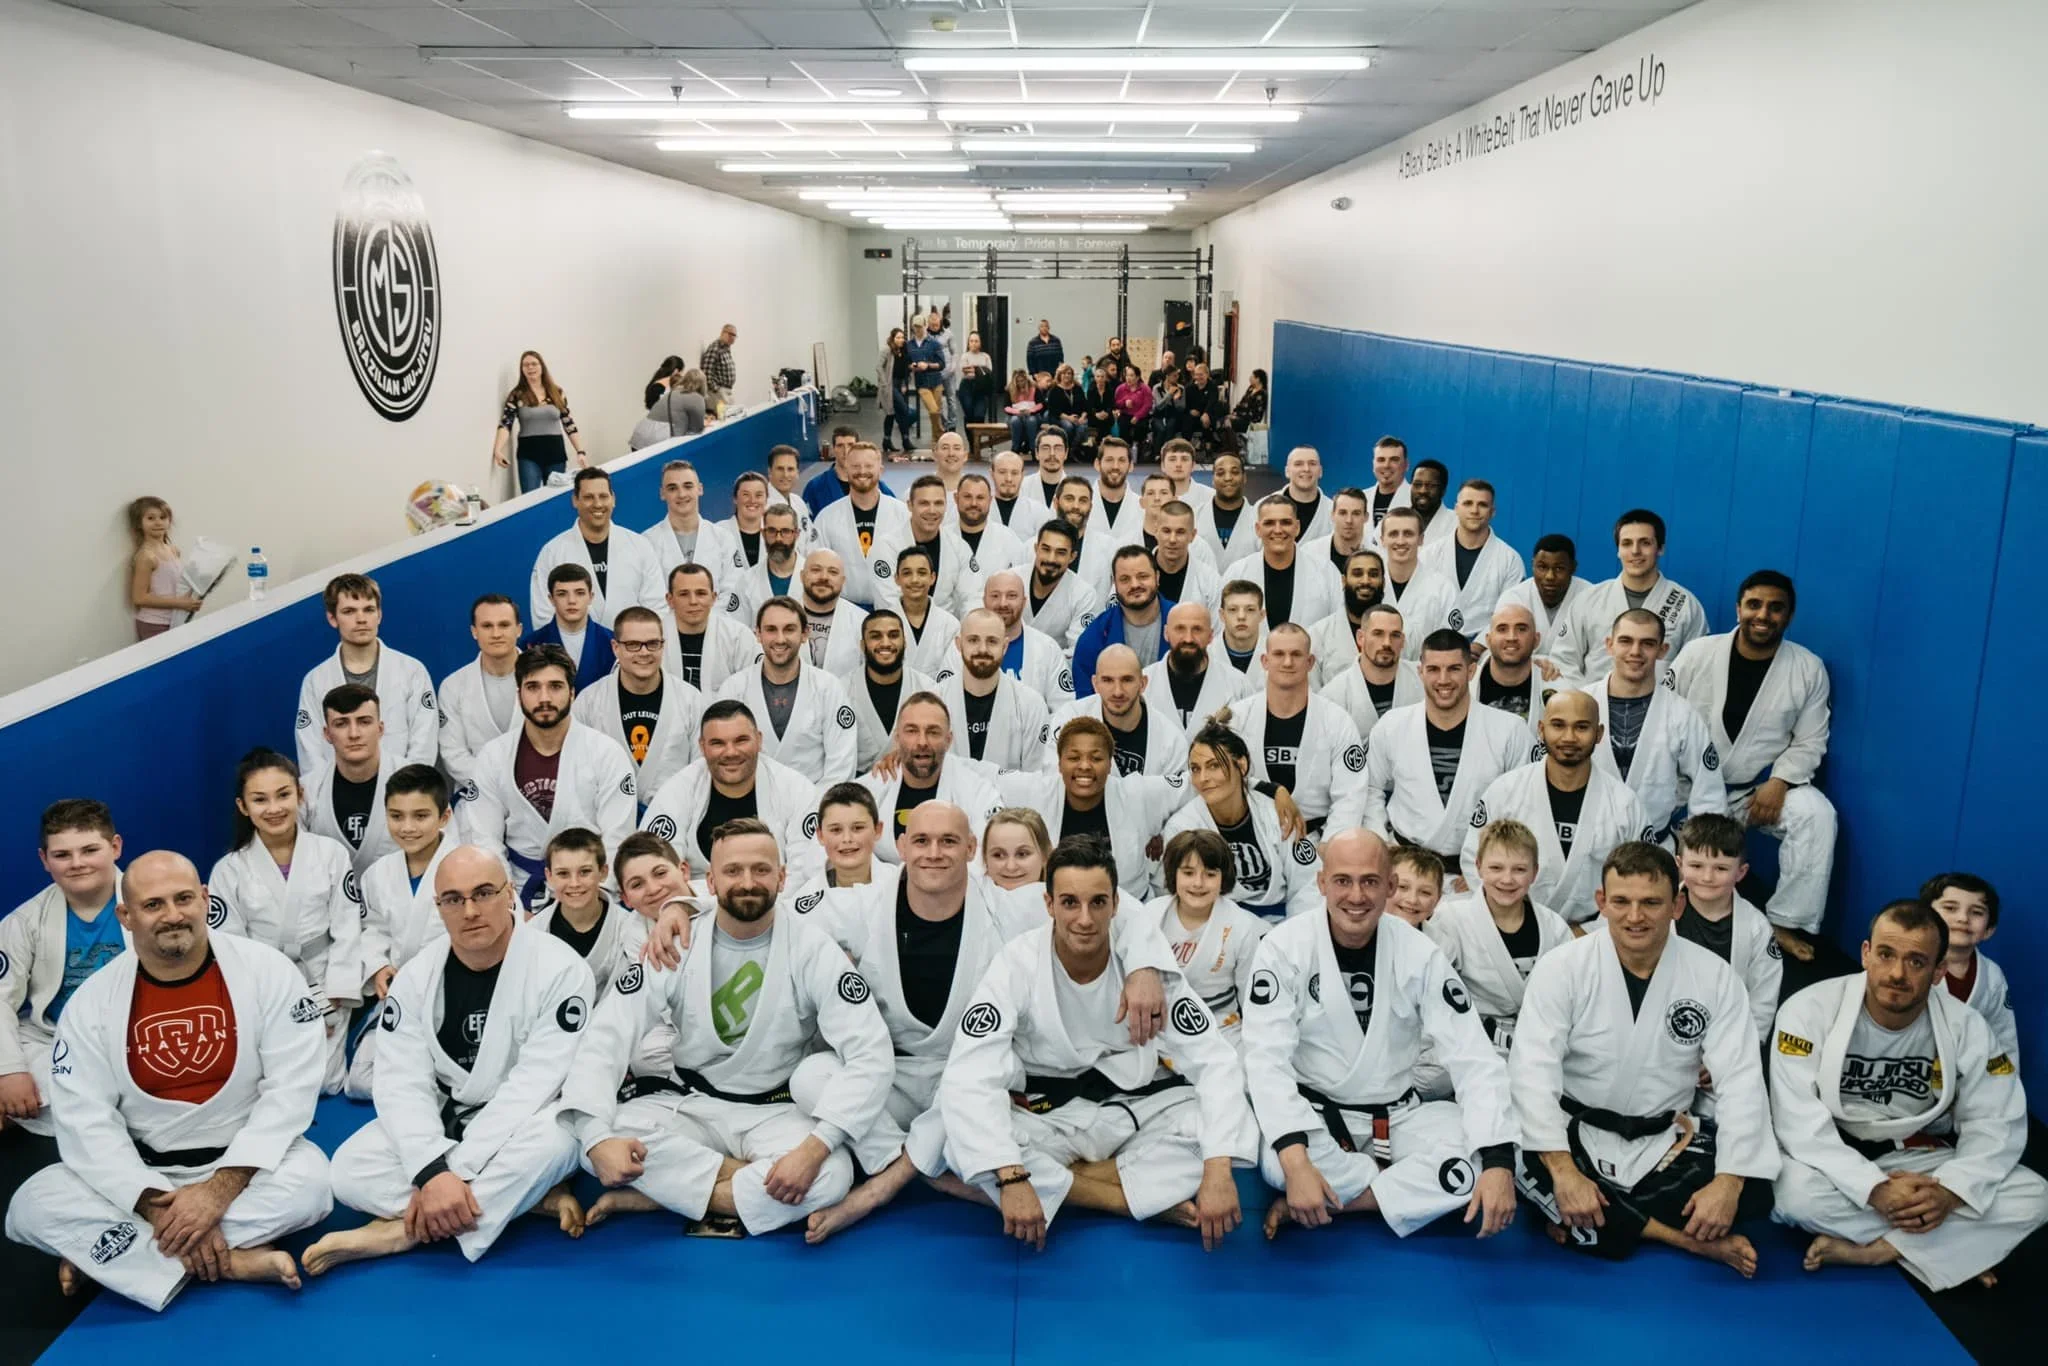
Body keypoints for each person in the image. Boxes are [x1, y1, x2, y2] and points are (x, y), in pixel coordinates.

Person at [795, 804, 1171, 1242]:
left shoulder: (1010, 905)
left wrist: (1144, 965)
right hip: (891, 1076)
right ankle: (922, 1170)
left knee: (971, 1105)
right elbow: (783, 915)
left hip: (968, 1073)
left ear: (971, 849)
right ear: (900, 847)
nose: (934, 853)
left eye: (949, 841)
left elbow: (1120, 907)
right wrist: (691, 907)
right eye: (921, 841)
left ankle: (881, 1186)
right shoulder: (863, 904)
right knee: (810, 1076)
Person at [4, 851, 331, 1308]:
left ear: (204, 899)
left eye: (184, 899)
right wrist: (154, 1206)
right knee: (31, 1205)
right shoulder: (93, 1001)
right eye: (153, 905)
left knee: (313, 1185)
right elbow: (86, 1121)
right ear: (126, 916)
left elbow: (291, 1091)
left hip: (240, 1165)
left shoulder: (268, 971)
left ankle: (111, 1254)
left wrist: (218, 1191)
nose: (173, 915)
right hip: (143, 1176)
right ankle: (231, 1261)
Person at [561, 819, 894, 1237]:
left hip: (776, 1109)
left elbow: (870, 1052)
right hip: (693, 1104)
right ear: (711, 882)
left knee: (831, 1173)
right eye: (733, 871)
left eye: (761, 869)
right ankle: (737, 1185)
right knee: (593, 1141)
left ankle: (668, 1195)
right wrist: (595, 1137)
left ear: (782, 876)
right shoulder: (675, 943)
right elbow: (608, 1034)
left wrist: (813, 1148)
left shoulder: (812, 948)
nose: (748, 882)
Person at [937, 836, 1254, 1250]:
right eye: (1069, 903)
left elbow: (1214, 1061)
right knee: (951, 1136)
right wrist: (1013, 1176)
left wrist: (1216, 1171)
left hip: (1129, 1108)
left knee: (1230, 1128)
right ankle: (1123, 1199)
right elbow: (970, 1074)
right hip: (1046, 1114)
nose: (1084, 919)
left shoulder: (1150, 975)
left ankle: (1060, 1186)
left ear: (1116, 905)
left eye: (1097, 903)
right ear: (1048, 904)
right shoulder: (1017, 964)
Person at [304, 846, 591, 1272]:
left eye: (484, 893)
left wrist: (447, 1172)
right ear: (438, 906)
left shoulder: (561, 969)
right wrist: (432, 1172)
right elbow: (401, 1082)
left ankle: (402, 1232)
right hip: (449, 1117)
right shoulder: (417, 975)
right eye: (454, 899)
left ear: (509, 893)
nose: (470, 910)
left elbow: (536, 1083)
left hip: (527, 1120)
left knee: (562, 1137)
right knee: (348, 1169)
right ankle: (519, 1200)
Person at [1509, 842, 1778, 1275]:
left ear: (1677, 904)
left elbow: (1742, 1080)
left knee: (1757, 1189)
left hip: (1663, 1139)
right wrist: (1563, 1172)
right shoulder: (1562, 967)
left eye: (1651, 902)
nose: (1635, 916)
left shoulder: (1713, 976)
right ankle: (1685, 1239)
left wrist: (1729, 1182)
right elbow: (1531, 1073)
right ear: (1602, 903)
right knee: (1519, 1163)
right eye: (1621, 902)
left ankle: (1596, 1223)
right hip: (1574, 1133)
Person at [1244, 829, 1518, 1241]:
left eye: (1370, 881)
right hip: (1317, 1116)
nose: (1356, 895)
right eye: (1343, 880)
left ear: (1389, 886)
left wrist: (1498, 1163)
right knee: (1277, 1163)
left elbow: (1472, 1055)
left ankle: (1351, 1200)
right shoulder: (1284, 947)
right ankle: (1387, 1188)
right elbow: (1266, 1061)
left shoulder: (1421, 954)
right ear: (1321, 883)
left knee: (1478, 1162)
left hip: (1400, 1115)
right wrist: (1299, 1165)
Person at [1770, 899, 2046, 1288]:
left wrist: (1951, 1191)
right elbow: (1797, 1120)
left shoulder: (1966, 1026)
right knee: (1796, 1197)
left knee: (2036, 1195)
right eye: (1885, 954)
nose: (1897, 973)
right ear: (1866, 954)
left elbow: (1995, 1119)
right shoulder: (1808, 1010)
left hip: (1918, 1159)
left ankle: (1882, 1250)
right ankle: (1953, 1248)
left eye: (1916, 962)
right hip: (1834, 1158)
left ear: (1938, 971)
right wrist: (1874, 1188)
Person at [1670, 569, 1835, 960]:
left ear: (1789, 616)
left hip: (1754, 793)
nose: (1764, 615)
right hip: (1687, 788)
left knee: (1816, 815)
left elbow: (1811, 739)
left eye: (1776, 608)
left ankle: (1784, 919)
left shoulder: (1807, 668)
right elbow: (1662, 713)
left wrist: (1781, 780)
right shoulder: (1698, 653)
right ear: (1738, 607)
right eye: (1755, 604)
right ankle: (1676, 911)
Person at [208, 749, 360, 1093]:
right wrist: (272, 1000)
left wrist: (335, 992)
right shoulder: (228, 871)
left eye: (283, 795)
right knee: (272, 1082)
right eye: (259, 800)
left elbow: (348, 927)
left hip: (323, 974)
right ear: (243, 807)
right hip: (266, 985)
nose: (274, 808)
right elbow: (229, 947)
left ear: (299, 795)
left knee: (324, 1082)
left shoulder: (331, 854)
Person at [462, 645, 637, 911]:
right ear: (519, 695)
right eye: (533, 688)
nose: (544, 698)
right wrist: (509, 906)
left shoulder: (607, 753)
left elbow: (617, 839)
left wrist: (591, 903)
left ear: (572, 693)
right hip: (518, 890)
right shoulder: (493, 756)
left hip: (589, 890)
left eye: (555, 686)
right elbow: (485, 841)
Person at [1463, 692, 1653, 924]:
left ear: (1599, 734)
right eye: (1558, 725)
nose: (1569, 737)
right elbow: (1474, 856)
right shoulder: (1505, 791)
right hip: (1511, 924)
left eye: (1581, 727)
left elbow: (1640, 879)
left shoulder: (1624, 804)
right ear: (1541, 730)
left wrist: (1592, 931)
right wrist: (1507, 919)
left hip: (1592, 934)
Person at [1362, 628, 1536, 873]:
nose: (1443, 679)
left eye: (1454, 669)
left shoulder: (1510, 730)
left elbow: (1524, 803)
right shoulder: (1392, 726)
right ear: (1420, 672)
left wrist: (1489, 870)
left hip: (1476, 873)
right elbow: (1370, 787)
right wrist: (1381, 841)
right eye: (1433, 669)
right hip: (1404, 868)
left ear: (1471, 671)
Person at [0, 800, 126, 1136]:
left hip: (135, 1036)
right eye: (62, 855)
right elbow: (0, 1000)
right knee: (14, 1059)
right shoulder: (24, 921)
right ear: (44, 859)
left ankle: (71, 1113)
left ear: (115, 847)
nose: (77, 864)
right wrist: (10, 1072)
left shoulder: (152, 903)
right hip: (56, 1038)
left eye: (89, 850)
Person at [346, 764, 456, 1098]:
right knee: (361, 1083)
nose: (407, 827)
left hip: (453, 993)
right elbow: (373, 929)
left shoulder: (469, 865)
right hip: (400, 993)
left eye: (420, 816)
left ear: (445, 816)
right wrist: (378, 966)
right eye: (396, 816)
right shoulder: (378, 874)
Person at [1426, 819, 1571, 1057]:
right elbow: (1433, 993)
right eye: (1496, 868)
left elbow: (1570, 993)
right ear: (1479, 866)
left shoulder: (1554, 927)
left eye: (1519, 869)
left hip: (1542, 1041)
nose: (1507, 879)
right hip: (1471, 1040)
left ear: (1535, 872)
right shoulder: (1451, 918)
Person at [996, 719, 1188, 898]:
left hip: (1129, 912)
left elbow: (1195, 786)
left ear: (1110, 764)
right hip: (1055, 910)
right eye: (1074, 758)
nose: (1085, 766)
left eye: (1096, 758)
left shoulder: (1137, 794)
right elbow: (974, 775)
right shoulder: (1036, 791)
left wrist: (1167, 831)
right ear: (1059, 763)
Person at [639, 699, 822, 882]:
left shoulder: (797, 790)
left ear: (759, 740)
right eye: (718, 743)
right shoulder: (676, 792)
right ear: (702, 747)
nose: (731, 752)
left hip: (778, 904)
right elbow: (654, 871)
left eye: (741, 740)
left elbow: (805, 873)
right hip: (695, 906)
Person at [1218, 623, 1371, 835]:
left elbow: (1350, 794)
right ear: (1265, 661)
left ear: (1310, 662)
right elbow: (1219, 779)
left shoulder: (1337, 721)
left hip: (1314, 838)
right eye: (1279, 654)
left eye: (1296, 654)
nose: (1288, 662)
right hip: (1252, 835)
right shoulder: (1236, 718)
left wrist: (1331, 844)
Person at [1589, 608, 1727, 843]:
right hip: (1588, 849)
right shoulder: (1582, 704)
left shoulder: (1682, 714)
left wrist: (1700, 858)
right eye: (1626, 641)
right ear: (1609, 645)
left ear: (1662, 650)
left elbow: (1709, 793)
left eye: (1647, 644)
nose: (1635, 652)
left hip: (1653, 850)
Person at [1164, 724, 1319, 921]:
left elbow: (1308, 884)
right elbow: (1182, 901)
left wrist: (1293, 937)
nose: (1203, 778)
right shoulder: (1182, 828)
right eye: (1195, 769)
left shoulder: (1278, 813)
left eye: (1214, 766)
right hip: (1220, 928)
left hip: (1284, 925)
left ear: (1242, 765)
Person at [295, 572, 437, 776]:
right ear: (332, 618)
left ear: (379, 615)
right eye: (349, 611)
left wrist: (407, 790)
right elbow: (310, 750)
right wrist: (327, 793)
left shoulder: (412, 671)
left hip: (402, 791)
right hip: (338, 791)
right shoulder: (316, 681)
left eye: (369, 610)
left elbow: (424, 741)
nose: (361, 619)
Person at [570, 605, 705, 805]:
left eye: (652, 644)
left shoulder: (691, 699)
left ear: (662, 645)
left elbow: (700, 770)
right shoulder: (589, 701)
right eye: (633, 644)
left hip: (673, 819)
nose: (644, 653)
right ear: (616, 647)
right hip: (606, 818)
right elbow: (577, 771)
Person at [715, 597, 858, 783]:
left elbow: (841, 764)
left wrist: (815, 808)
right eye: (771, 630)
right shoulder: (734, 688)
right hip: (750, 802)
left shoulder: (829, 688)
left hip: (814, 801)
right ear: (758, 634)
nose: (780, 639)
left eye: (789, 629)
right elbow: (720, 755)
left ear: (805, 634)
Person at [1556, 509, 1708, 681]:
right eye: (1627, 543)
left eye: (1645, 543)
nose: (1635, 551)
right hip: (1595, 704)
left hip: (1660, 705)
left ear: (1661, 548)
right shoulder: (1588, 601)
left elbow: (1697, 670)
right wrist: (1585, 701)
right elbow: (1564, 660)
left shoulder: (1685, 605)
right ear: (1618, 550)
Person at [1671, 814, 1783, 1040]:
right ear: (1680, 865)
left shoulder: (1756, 928)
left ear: (1740, 873)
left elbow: (1763, 999)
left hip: (1725, 1035)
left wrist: (1736, 1051)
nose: (1707, 877)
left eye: (1721, 868)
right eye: (1696, 865)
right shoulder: (1659, 910)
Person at [1147, 830, 1267, 1039]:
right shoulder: (1151, 915)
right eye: (1188, 873)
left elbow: (1251, 999)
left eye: (1210, 874)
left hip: (1220, 1026)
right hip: (1157, 1024)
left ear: (1224, 878)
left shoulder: (1243, 926)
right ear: (1173, 873)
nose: (1198, 883)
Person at [860, 694, 1004, 852]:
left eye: (933, 732)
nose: (922, 742)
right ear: (897, 738)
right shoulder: (870, 789)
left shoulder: (977, 791)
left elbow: (992, 852)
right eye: (912, 731)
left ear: (948, 740)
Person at [529, 468, 665, 632]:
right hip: (571, 654)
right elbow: (543, 616)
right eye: (588, 497)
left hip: (632, 650)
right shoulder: (552, 552)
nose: (597, 504)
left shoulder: (640, 546)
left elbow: (656, 607)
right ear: (575, 500)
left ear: (613, 499)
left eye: (603, 496)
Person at [1046, 645, 1189, 780]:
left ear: (1143, 684)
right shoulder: (1069, 719)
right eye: (1107, 680)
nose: (1117, 692)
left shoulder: (1171, 740)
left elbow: (1176, 799)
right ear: (1095, 684)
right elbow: (1054, 781)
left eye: (1127, 680)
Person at [936, 609, 1052, 772]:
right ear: (958, 644)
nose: (982, 649)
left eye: (992, 641)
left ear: (1005, 646)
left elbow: (1035, 778)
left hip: (1010, 798)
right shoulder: (934, 701)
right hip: (946, 797)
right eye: (973, 640)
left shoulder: (1031, 705)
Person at [1922, 872, 2020, 1064]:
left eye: (1976, 912)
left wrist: (2006, 1087)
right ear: (1925, 919)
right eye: (1950, 908)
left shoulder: (1992, 976)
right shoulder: (1908, 966)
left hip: (1968, 1075)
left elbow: (2003, 1036)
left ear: (1989, 930)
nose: (1963, 918)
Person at [301, 684, 398, 874]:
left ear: (380, 729)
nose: (354, 734)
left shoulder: (418, 781)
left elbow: (441, 853)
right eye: (341, 724)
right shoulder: (308, 790)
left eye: (364, 722)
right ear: (327, 734)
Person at [438, 595, 523, 802]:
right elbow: (454, 755)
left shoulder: (543, 679)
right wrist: (498, 785)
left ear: (518, 630)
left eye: (504, 625)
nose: (496, 634)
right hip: (476, 795)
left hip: (536, 791)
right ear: (474, 632)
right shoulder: (452, 686)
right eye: (487, 626)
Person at [1222, 498, 1343, 633]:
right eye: (1269, 523)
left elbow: (1338, 626)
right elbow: (1223, 627)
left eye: (1285, 522)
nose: (1278, 530)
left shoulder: (1325, 571)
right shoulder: (1238, 573)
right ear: (1258, 529)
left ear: (1297, 527)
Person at [1421, 481, 1524, 637]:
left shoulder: (1510, 560)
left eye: (1482, 505)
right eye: (1468, 503)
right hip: (1435, 642)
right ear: (1456, 508)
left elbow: (1509, 614)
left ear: (1492, 511)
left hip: (1487, 646)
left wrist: (1479, 646)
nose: (1474, 511)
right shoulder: (1430, 554)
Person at [814, 442, 910, 609]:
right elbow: (816, 563)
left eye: (868, 466)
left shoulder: (902, 514)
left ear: (880, 470)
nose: (862, 471)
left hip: (893, 606)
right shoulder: (827, 517)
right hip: (843, 607)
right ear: (846, 470)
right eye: (856, 466)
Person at [1070, 547, 1173, 690]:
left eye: (1143, 576)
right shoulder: (1093, 638)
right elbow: (1086, 702)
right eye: (1125, 579)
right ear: (1114, 583)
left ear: (1157, 577)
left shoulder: (1183, 624)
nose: (1135, 585)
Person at [847, 610, 936, 774]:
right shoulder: (841, 690)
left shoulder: (928, 689)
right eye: (875, 636)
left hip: (914, 781)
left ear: (905, 641)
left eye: (894, 635)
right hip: (856, 787)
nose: (885, 643)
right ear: (862, 645)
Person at [1320, 603, 1421, 741]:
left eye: (1395, 635)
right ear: (1361, 638)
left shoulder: (1423, 680)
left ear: (1403, 641)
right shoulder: (1333, 696)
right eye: (1378, 634)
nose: (1387, 643)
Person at [871, 475, 969, 618]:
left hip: (947, 633)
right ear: (910, 505)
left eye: (938, 503)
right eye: (924, 503)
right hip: (898, 632)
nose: (932, 510)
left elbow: (971, 597)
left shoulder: (958, 547)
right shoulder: (887, 546)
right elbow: (888, 603)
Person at [492, 350, 589, 494]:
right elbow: (506, 424)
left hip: (555, 452)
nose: (530, 368)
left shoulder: (557, 392)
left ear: (542, 366)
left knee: (555, 497)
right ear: (522, 369)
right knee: (530, 498)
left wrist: (580, 452)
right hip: (528, 454)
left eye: (534, 364)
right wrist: (498, 450)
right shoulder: (517, 395)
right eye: (526, 365)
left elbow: (569, 424)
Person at [1495, 534, 1591, 676]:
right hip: (1524, 677)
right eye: (1542, 567)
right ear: (1533, 565)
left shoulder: (1590, 597)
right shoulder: (1514, 598)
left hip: (1576, 680)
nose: (1549, 576)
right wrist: (1536, 664)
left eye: (1559, 568)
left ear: (1573, 567)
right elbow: (1499, 649)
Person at [643, 459, 739, 594]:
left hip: (718, 614)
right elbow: (650, 596)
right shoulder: (647, 542)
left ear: (700, 489)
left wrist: (711, 615)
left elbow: (734, 590)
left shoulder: (723, 538)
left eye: (688, 486)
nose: (681, 494)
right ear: (662, 493)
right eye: (672, 488)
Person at [1145, 603, 1243, 735]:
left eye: (1197, 629)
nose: (1188, 638)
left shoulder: (1238, 685)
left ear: (1210, 635)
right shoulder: (1144, 683)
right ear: (1166, 633)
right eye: (1180, 629)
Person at [981, 570, 1078, 703]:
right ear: (984, 600)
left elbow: (1064, 706)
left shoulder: (1047, 648)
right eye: (995, 596)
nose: (1003, 603)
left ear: (1024, 601)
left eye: (1011, 596)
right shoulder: (962, 647)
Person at [664, 563, 761, 694]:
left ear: (714, 597)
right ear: (670, 599)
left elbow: (754, 685)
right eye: (684, 594)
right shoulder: (654, 636)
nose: (693, 601)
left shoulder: (737, 636)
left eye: (701, 593)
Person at [1375, 508, 1457, 654]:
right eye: (1393, 534)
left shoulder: (1443, 589)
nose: (1400, 541)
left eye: (1408, 534)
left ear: (1421, 539)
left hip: (1423, 673)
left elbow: (1452, 642)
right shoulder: (1370, 585)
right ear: (1382, 540)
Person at [521, 564, 614, 690]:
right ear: (551, 599)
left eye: (580, 593)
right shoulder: (530, 644)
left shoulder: (612, 643)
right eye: (562, 594)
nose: (571, 600)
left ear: (591, 597)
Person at [1307, 548, 1387, 685]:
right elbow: (1312, 689)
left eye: (1373, 574)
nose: (1366, 581)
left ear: (1384, 582)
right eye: (1357, 574)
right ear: (1344, 581)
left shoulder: (1404, 632)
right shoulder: (1319, 634)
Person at [126, 496, 201, 641]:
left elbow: (172, 585)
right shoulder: (146, 556)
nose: (158, 522)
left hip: (176, 620)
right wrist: (179, 603)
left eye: (163, 517)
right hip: (154, 624)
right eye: (150, 518)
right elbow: (139, 597)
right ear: (139, 523)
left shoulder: (173, 550)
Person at [724, 503, 811, 626]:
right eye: (772, 531)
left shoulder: (813, 577)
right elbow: (735, 629)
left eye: (785, 531)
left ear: (796, 534)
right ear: (763, 534)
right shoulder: (747, 581)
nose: (778, 539)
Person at [950, 472, 1028, 609]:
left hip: (997, 621)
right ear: (956, 498)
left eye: (980, 497)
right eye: (967, 497)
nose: (974, 503)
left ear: (990, 500)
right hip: (952, 623)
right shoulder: (944, 537)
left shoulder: (1008, 539)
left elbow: (1020, 584)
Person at [1470, 603, 1549, 735]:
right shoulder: (1465, 686)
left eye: (1521, 629)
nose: (1511, 637)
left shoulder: (1556, 686)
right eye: (1502, 629)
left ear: (1536, 640)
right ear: (1488, 640)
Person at [789, 549, 868, 675]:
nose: (824, 577)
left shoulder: (862, 622)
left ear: (843, 581)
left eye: (833, 572)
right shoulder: (780, 616)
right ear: (802, 576)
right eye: (816, 570)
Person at [1151, 498, 1221, 611]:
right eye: (1166, 531)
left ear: (1192, 535)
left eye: (1180, 532)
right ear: (1155, 531)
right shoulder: (1133, 573)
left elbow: (1217, 627)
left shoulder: (1210, 581)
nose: (1172, 539)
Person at [1301, 487, 1372, 581]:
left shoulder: (1380, 557)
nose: (1349, 520)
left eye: (1356, 513)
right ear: (1332, 515)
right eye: (1343, 513)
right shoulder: (1309, 553)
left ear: (1366, 517)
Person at [762, 445, 822, 553]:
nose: (785, 475)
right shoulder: (762, 506)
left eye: (790, 469)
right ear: (770, 472)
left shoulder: (799, 502)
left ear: (797, 473)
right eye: (780, 469)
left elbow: (812, 540)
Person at [1193, 451, 1251, 560]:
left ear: (1244, 478)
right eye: (1220, 473)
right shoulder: (1195, 516)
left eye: (1234, 472)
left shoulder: (1258, 518)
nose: (1228, 478)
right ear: (1213, 480)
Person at [632, 368, 706, 449]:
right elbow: (696, 430)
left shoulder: (673, 392)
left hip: (640, 434)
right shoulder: (697, 398)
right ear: (703, 384)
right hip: (658, 441)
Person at [1216, 580, 1269, 685]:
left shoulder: (1276, 655)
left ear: (1262, 615)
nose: (1241, 616)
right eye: (1232, 609)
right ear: (1222, 615)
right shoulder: (1208, 654)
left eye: (1250, 609)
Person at [1274, 447, 1333, 541]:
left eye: (1312, 464)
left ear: (1320, 471)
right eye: (1298, 464)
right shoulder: (1264, 506)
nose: (1306, 469)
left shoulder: (1333, 511)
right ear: (1287, 471)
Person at [805, 426, 859, 514]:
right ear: (833, 449)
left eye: (851, 445)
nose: (845, 451)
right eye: (840, 446)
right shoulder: (815, 487)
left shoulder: (874, 486)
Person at [1364, 435, 1413, 532]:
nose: (1386, 465)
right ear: (1373, 464)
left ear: (1406, 465)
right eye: (1381, 460)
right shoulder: (1362, 497)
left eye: (1394, 459)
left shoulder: (1416, 499)